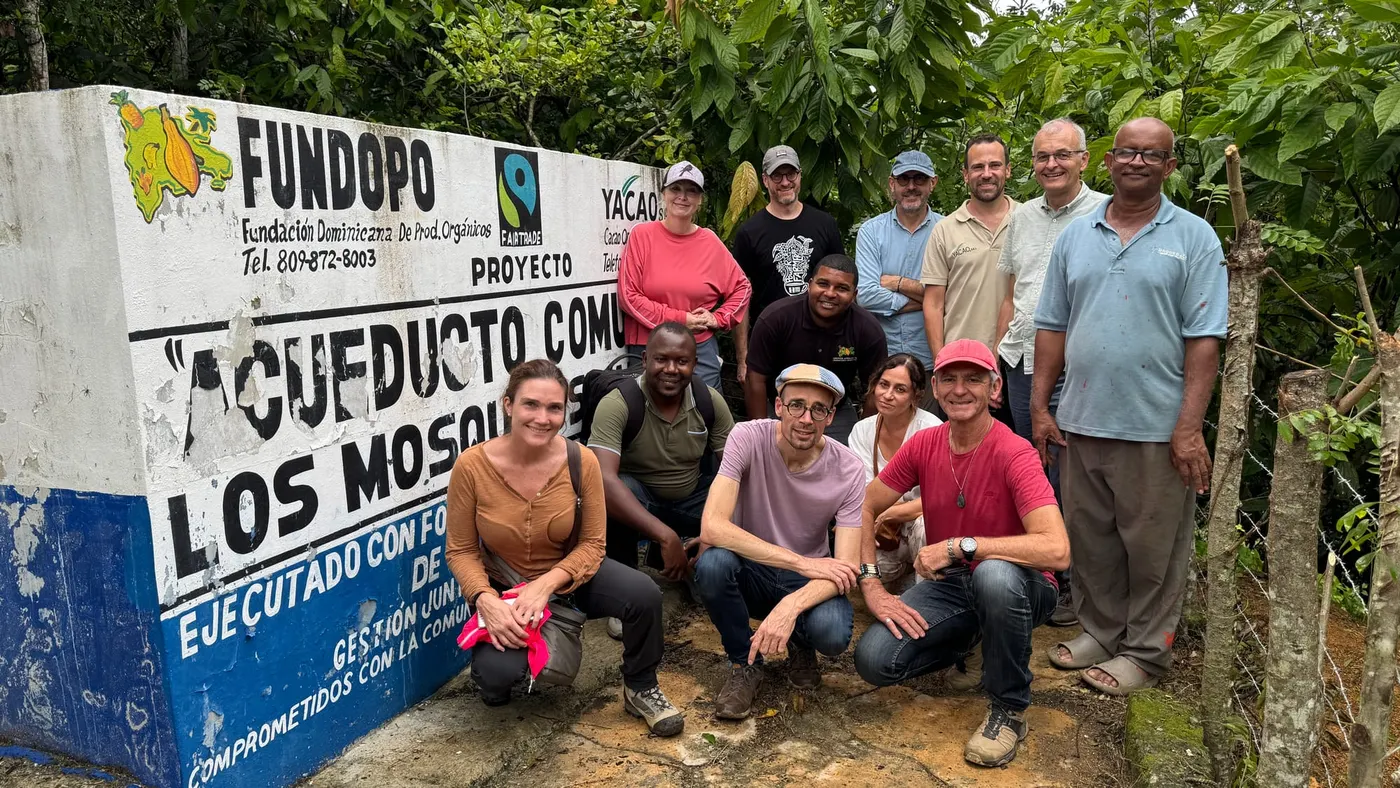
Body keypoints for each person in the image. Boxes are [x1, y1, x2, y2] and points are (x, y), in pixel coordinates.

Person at [1034, 117, 1227, 696]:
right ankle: (1101, 629)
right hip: (1082, 419)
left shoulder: (1193, 238)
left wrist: (1189, 427)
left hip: (1155, 425)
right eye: (1127, 152)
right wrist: (1043, 406)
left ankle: (1145, 651)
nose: (1136, 162)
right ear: (1108, 161)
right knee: (1091, 539)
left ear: (1170, 167)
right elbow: (1052, 326)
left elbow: (1205, 338)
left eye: (1152, 154)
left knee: (1151, 548)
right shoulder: (1076, 236)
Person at [852, 339, 1070, 768]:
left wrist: (960, 546)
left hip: (1023, 586)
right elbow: (863, 504)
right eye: (949, 378)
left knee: (993, 575)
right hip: (953, 585)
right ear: (934, 386)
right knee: (875, 661)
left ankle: (1008, 707)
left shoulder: (1015, 452)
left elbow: (1056, 550)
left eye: (974, 379)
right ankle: (974, 640)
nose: (960, 389)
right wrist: (871, 583)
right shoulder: (925, 444)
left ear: (995, 389)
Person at [445, 359, 685, 736]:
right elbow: (460, 550)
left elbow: (592, 545)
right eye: (530, 405)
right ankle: (497, 674)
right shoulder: (471, 466)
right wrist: (484, 599)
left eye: (554, 408)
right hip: (505, 589)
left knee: (643, 594)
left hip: (569, 574)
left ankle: (641, 686)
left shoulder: (580, 460)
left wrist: (547, 585)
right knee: (496, 675)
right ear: (508, 405)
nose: (543, 418)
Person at [695, 363, 865, 719]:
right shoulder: (746, 437)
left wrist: (791, 606)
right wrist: (800, 561)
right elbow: (712, 526)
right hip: (756, 567)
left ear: (831, 416)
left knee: (832, 633)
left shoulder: (849, 468)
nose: (806, 418)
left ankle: (801, 643)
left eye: (818, 409)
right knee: (713, 564)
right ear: (778, 407)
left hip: (806, 580)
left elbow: (847, 566)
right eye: (796, 405)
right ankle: (744, 664)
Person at [995, 118, 1108, 627]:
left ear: (1084, 159)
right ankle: (1041, 574)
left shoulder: (1105, 213)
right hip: (1021, 363)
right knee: (1031, 470)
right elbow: (1012, 294)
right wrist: (998, 357)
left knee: (1070, 477)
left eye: (1062, 155)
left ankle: (1073, 586)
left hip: (1075, 369)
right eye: (1043, 157)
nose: (1052, 165)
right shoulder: (1021, 218)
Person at [590, 323, 734, 636]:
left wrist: (714, 533)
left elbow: (735, 475)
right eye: (661, 359)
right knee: (612, 490)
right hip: (640, 503)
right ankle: (625, 593)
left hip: (692, 498)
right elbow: (602, 478)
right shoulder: (618, 404)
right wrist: (665, 536)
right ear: (645, 361)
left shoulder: (709, 402)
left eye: (682, 361)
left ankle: (696, 565)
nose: (671, 369)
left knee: (737, 495)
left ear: (694, 365)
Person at [618, 160, 752, 389]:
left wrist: (718, 318)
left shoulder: (709, 241)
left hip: (698, 348)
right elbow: (628, 297)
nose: (683, 197)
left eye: (691, 191)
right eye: (675, 189)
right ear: (664, 194)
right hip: (650, 348)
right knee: (648, 420)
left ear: (699, 201)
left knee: (706, 415)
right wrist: (682, 319)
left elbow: (743, 288)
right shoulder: (642, 235)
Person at [744, 254, 887, 444]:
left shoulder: (867, 329)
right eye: (823, 284)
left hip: (835, 409)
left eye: (842, 288)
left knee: (850, 459)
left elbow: (875, 389)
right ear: (809, 285)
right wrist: (760, 433)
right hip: (780, 404)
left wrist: (864, 434)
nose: (830, 293)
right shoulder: (776, 318)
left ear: (854, 295)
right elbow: (755, 379)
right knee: (771, 457)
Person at [732, 145, 844, 382]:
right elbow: (739, 297)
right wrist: (743, 358)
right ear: (765, 180)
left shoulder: (824, 224)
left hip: (822, 340)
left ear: (800, 175)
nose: (785, 182)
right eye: (777, 175)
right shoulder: (749, 232)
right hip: (770, 342)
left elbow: (842, 283)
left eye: (790, 174)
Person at [845, 354, 941, 592]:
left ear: (915, 395)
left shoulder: (932, 430)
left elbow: (938, 501)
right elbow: (864, 494)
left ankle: (928, 598)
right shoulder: (862, 430)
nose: (888, 395)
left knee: (927, 526)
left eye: (900, 389)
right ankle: (906, 580)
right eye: (884, 385)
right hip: (884, 527)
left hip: (920, 518)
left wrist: (890, 514)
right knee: (857, 569)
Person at [921, 134, 1018, 362]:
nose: (986, 174)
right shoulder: (945, 230)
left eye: (995, 165)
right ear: (965, 175)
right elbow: (933, 304)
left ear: (1008, 170)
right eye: (977, 167)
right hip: (961, 358)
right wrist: (940, 361)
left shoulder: (1027, 221)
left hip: (1018, 358)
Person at [855, 151, 943, 370]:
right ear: (892, 184)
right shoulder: (871, 232)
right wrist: (929, 300)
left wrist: (898, 283)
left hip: (932, 360)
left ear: (932, 183)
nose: (911, 186)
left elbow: (956, 296)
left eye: (919, 179)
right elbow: (866, 296)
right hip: (883, 358)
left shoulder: (948, 231)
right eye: (904, 179)